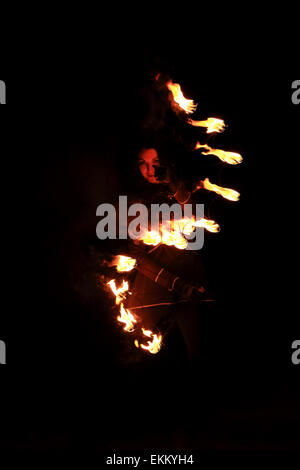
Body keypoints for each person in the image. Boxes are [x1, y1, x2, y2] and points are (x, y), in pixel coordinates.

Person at [121, 145, 215, 368]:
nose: (150, 169)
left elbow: (195, 220)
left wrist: (173, 183)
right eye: (143, 164)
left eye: (155, 162)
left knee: (200, 352)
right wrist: (176, 284)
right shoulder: (132, 201)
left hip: (190, 276)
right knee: (140, 353)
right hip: (155, 285)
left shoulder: (179, 190)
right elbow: (138, 258)